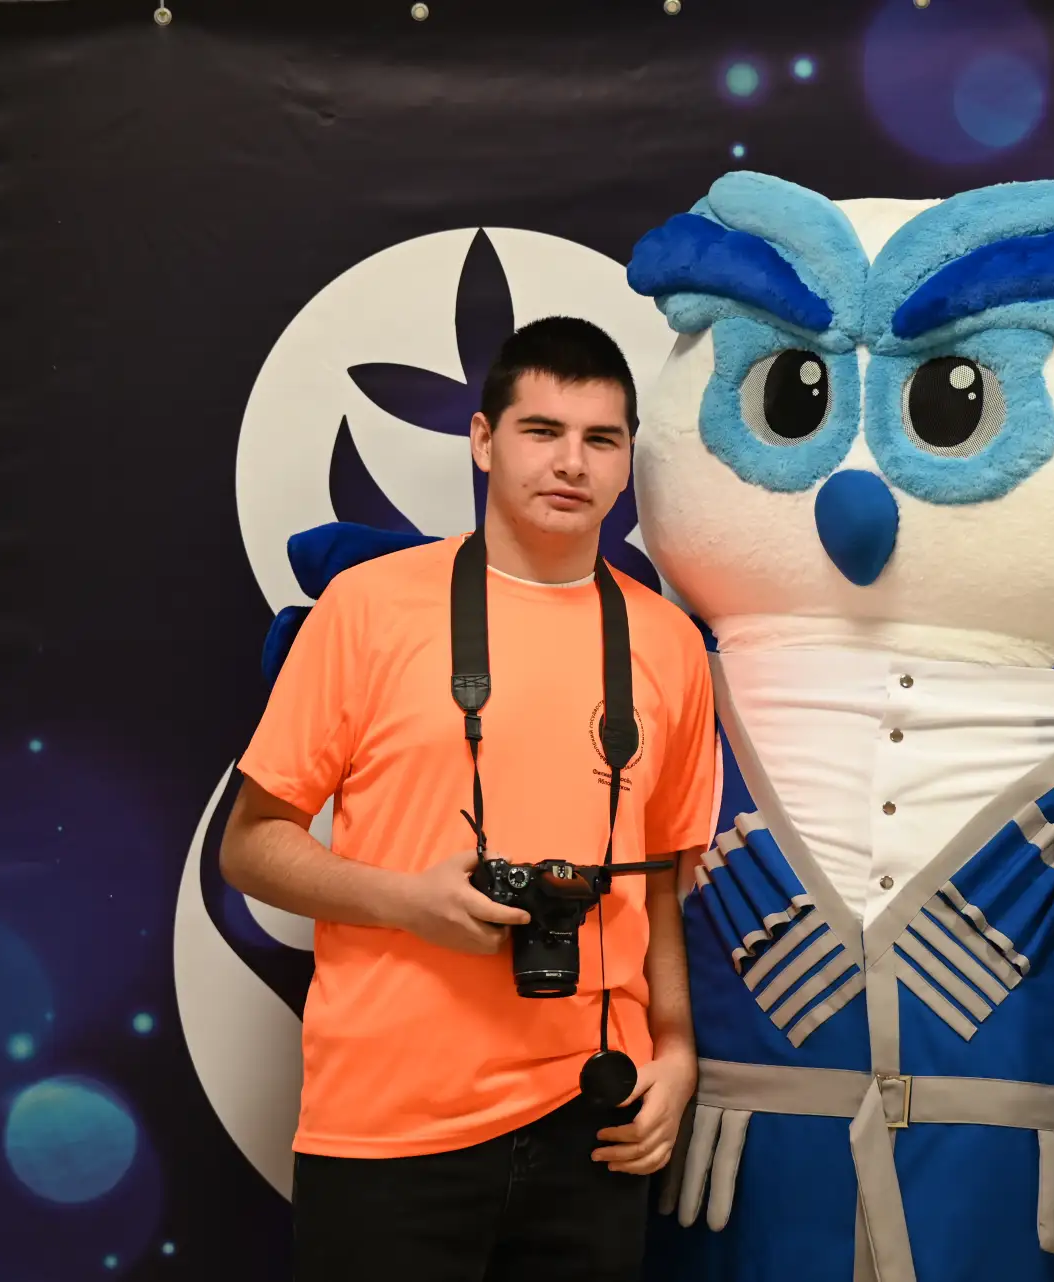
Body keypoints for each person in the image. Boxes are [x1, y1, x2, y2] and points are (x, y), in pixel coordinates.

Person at [219, 315, 718, 1282]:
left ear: (627, 463)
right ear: (484, 440)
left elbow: (660, 877)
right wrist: (407, 901)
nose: (570, 463)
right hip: (388, 1121)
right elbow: (250, 844)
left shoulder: (669, 645)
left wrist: (676, 1049)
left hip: (596, 1117)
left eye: (601, 439)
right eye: (542, 431)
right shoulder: (367, 607)